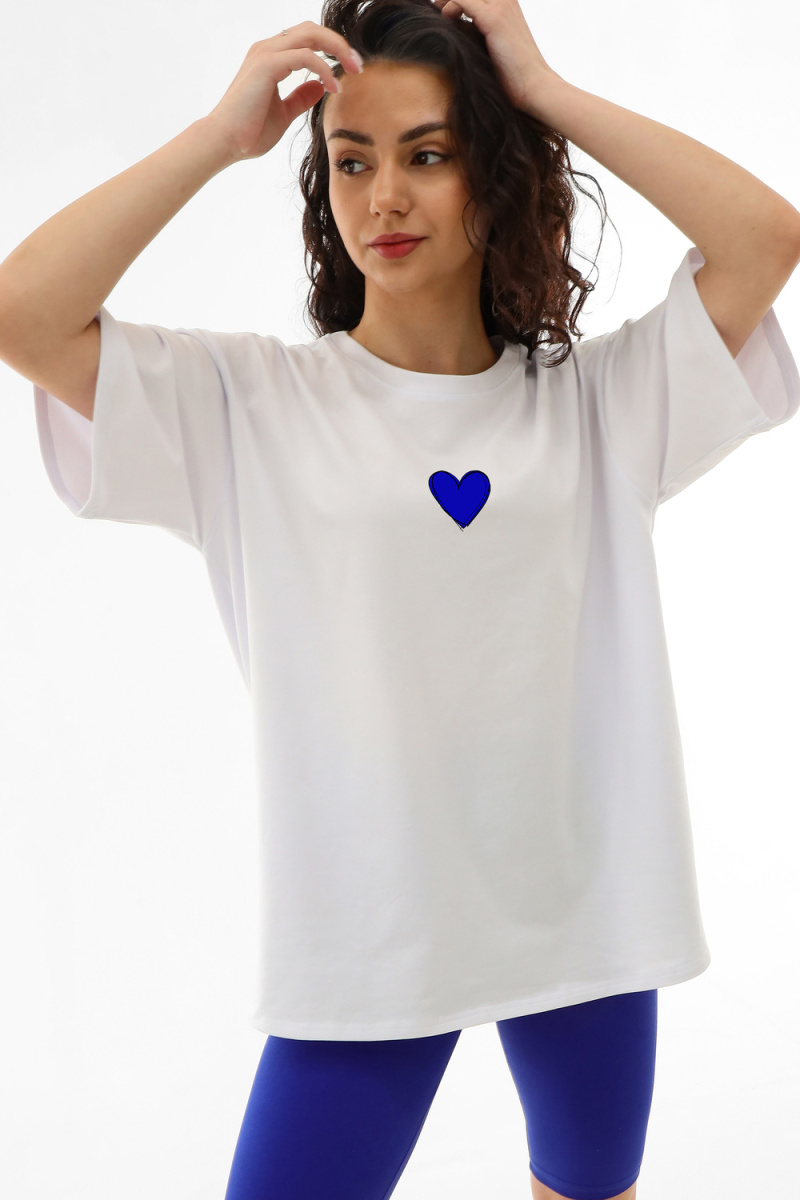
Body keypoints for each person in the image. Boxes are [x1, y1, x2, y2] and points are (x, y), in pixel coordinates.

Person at [1, 0, 799, 1197]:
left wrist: (541, 90)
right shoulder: (248, 407)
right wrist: (218, 138)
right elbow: (21, 313)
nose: (382, 197)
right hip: (366, 946)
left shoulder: (597, 403)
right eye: (350, 160)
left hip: (581, 919)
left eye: (427, 154)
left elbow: (763, 239)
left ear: (494, 172)